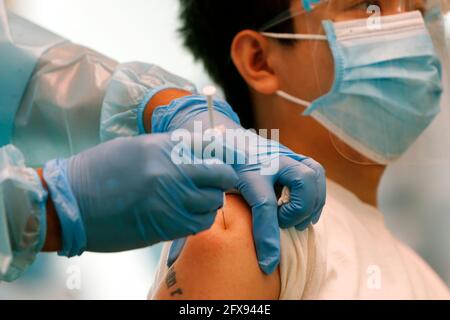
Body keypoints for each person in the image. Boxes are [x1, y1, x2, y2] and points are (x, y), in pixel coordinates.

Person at [0, 0, 326, 282]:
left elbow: (22, 73)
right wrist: (43, 205)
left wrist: (162, 104)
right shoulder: (228, 229)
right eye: (362, 6)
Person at [147, 0, 450, 299]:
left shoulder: (429, 282)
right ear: (260, 60)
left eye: (419, 10)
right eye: (368, 5)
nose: (412, 28)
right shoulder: (249, 227)